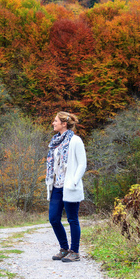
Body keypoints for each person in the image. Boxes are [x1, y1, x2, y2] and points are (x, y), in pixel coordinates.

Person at [46, 111, 86, 262]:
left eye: (55, 121)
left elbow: (82, 164)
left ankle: (74, 252)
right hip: (57, 185)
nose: (53, 123)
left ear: (64, 124)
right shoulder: (55, 142)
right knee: (54, 218)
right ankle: (64, 248)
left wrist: (74, 181)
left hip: (70, 186)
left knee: (72, 219)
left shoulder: (75, 141)